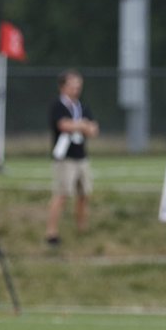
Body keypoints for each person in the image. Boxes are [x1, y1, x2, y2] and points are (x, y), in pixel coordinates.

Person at [45, 70, 99, 247]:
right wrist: (82, 125)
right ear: (63, 86)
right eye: (72, 85)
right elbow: (63, 125)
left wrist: (81, 126)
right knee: (62, 194)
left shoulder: (82, 106)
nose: (76, 89)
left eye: (78, 85)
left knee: (83, 194)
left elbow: (93, 130)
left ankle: (81, 228)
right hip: (65, 158)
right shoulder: (57, 106)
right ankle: (51, 232)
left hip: (81, 156)